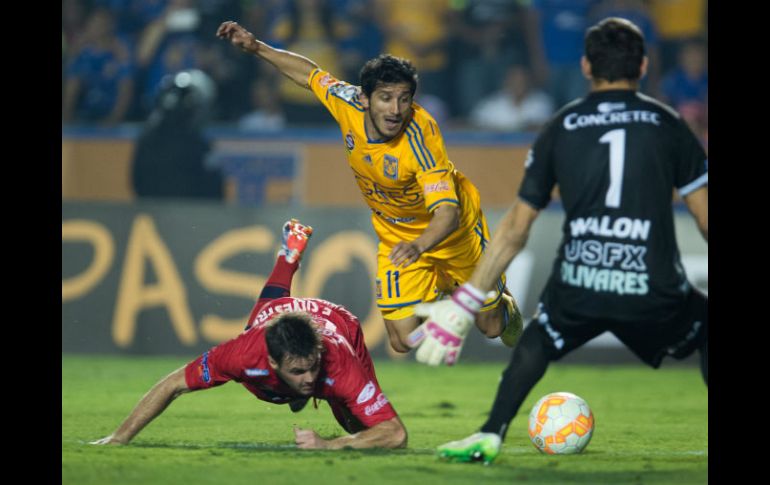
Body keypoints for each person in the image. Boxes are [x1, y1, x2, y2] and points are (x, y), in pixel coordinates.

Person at [416, 17, 708, 463]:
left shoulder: (562, 125)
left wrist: (468, 299)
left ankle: (490, 433)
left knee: (537, 339)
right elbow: (704, 218)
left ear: (587, 66)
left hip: (581, 279)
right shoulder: (669, 125)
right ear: (644, 65)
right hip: (649, 282)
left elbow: (516, 227)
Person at [215, 20, 524, 366]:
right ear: (364, 98)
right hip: (397, 236)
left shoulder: (420, 140)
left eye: (404, 99)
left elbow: (447, 214)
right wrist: (257, 47)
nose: (395, 109)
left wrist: (419, 247)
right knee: (404, 341)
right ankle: (444, 288)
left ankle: (502, 306)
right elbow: (311, 75)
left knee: (492, 327)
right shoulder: (346, 103)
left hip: (455, 235)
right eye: (386, 98)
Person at [91, 219, 407, 449]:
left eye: (312, 366)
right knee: (264, 311)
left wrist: (332, 444)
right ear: (271, 361)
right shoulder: (240, 354)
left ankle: (288, 258)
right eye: (298, 370)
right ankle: (288, 257)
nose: (310, 376)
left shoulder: (338, 361)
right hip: (274, 315)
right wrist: (120, 437)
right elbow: (173, 384)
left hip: (337, 322)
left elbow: (394, 434)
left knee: (355, 423)